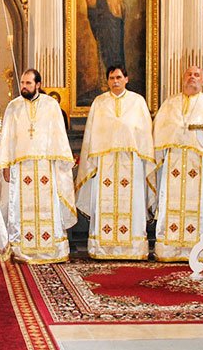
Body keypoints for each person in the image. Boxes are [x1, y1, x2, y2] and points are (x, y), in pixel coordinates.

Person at [0, 69, 75, 263]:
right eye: (22, 83)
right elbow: (7, 138)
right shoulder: (13, 107)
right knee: (21, 208)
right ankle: (22, 249)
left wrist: (61, 162)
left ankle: (52, 250)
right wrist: (5, 165)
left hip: (46, 164)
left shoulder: (51, 105)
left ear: (38, 84)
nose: (24, 86)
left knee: (48, 208)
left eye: (28, 83)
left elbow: (58, 135)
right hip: (21, 168)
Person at [76, 65, 154, 260]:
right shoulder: (99, 103)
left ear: (126, 79)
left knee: (133, 202)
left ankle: (133, 249)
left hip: (132, 162)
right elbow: (91, 135)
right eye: (111, 78)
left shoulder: (138, 102)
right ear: (107, 81)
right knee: (105, 203)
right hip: (105, 163)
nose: (115, 81)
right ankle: (104, 247)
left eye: (119, 77)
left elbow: (144, 134)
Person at [150, 66, 203, 261]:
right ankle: (171, 250)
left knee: (202, 204)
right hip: (174, 163)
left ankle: (201, 250)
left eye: (196, 75)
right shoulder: (170, 104)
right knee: (171, 204)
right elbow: (159, 132)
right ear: (182, 78)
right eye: (188, 74)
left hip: (201, 165)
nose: (192, 78)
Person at [86, 0, 125, 73]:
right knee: (105, 51)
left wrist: (119, 9)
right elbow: (92, 3)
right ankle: (105, 78)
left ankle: (117, 74)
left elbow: (123, 10)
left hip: (116, 26)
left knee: (116, 51)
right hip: (104, 27)